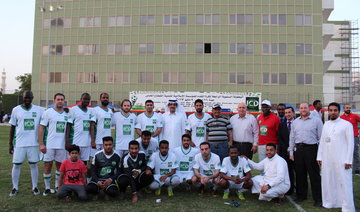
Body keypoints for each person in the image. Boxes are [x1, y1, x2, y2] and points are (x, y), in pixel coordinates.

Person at [317, 102, 355, 211]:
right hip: (328, 158)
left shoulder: (346, 124)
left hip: (342, 158)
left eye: (335, 110)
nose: (333, 112)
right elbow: (322, 141)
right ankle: (330, 202)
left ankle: (347, 207)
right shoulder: (326, 124)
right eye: (331, 110)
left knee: (344, 182)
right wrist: (319, 156)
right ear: (328, 111)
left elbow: (351, 143)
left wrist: (348, 160)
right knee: (328, 181)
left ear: (339, 111)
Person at [8, 91, 44, 196]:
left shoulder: (39, 110)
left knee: (33, 164)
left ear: (32, 98)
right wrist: (10, 143)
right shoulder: (16, 110)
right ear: (22, 98)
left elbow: (49, 116)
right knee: (16, 165)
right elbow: (12, 127)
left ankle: (35, 187)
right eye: (25, 97)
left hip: (33, 143)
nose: (27, 99)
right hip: (19, 143)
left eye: (29, 97)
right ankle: (15, 187)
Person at [289, 103, 323, 207]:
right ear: (299, 110)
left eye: (305, 108)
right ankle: (301, 196)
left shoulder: (316, 121)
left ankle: (318, 198)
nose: (303, 110)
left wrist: (320, 154)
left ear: (309, 109)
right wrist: (291, 152)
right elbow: (292, 137)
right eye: (301, 108)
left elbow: (321, 138)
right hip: (299, 150)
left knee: (314, 175)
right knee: (300, 174)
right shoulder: (295, 122)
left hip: (311, 149)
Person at [39, 93, 69, 195]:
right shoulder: (48, 112)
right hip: (49, 144)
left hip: (62, 145)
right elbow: (41, 128)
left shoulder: (67, 114)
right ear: (54, 101)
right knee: (47, 165)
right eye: (58, 99)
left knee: (60, 167)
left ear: (64, 101)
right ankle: (47, 188)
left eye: (62, 99)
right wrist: (41, 144)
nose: (60, 101)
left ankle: (57, 186)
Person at [66, 93, 96, 164]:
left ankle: (83, 175)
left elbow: (92, 127)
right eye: (84, 99)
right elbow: (68, 126)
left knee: (84, 163)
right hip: (76, 142)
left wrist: (92, 141)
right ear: (80, 99)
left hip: (86, 142)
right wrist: (67, 141)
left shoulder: (91, 111)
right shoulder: (73, 109)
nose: (86, 101)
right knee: (73, 162)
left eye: (88, 99)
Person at [277, 106, 295, 195]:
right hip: (285, 152)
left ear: (293, 113)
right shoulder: (282, 125)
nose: (288, 114)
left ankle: (300, 189)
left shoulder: (298, 123)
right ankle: (290, 188)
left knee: (299, 171)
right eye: (286, 113)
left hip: (297, 151)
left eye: (289, 112)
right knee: (288, 171)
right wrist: (287, 148)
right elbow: (280, 139)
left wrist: (292, 148)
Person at [340, 104, 360, 175]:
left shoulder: (354, 116)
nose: (348, 109)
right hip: (344, 137)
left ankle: (357, 169)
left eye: (349, 108)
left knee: (355, 153)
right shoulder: (341, 117)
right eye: (347, 108)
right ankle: (345, 167)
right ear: (344, 109)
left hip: (354, 137)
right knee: (344, 153)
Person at [92, 93, 113, 157]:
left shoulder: (110, 111)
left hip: (108, 141)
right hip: (98, 141)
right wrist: (93, 141)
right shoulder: (95, 110)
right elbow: (92, 126)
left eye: (107, 98)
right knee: (96, 159)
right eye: (103, 98)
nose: (105, 99)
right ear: (100, 99)